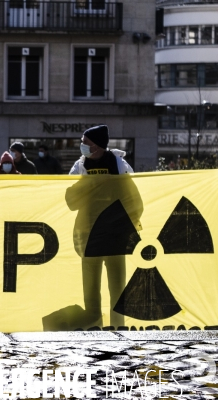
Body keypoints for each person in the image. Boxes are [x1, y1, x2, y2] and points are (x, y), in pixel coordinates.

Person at [66, 124, 142, 329]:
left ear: (98, 146)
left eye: (85, 143)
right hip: (89, 237)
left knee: (118, 289)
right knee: (90, 291)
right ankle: (94, 328)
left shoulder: (120, 165)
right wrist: (87, 187)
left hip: (115, 239)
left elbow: (135, 201)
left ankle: (118, 329)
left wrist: (127, 228)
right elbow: (70, 201)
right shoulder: (80, 166)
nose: (82, 147)